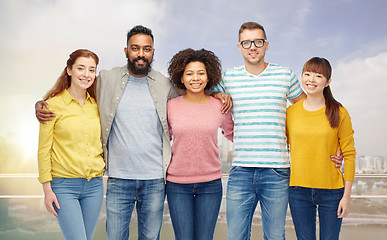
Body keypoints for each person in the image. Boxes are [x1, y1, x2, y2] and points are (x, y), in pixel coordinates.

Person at [35, 25, 231, 240]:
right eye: (135, 48)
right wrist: (43, 102)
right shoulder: (107, 79)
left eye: (147, 49)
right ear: (126, 51)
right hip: (118, 179)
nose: (141, 54)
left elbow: (192, 92)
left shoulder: (165, 85)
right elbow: (79, 86)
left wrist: (216, 94)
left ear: (153, 52)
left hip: (155, 180)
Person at [211, 22, 343, 240]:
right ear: (239, 47)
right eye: (247, 42)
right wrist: (218, 95)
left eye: (258, 41)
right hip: (241, 170)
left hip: (277, 171)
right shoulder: (228, 78)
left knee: (274, 236)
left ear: (266, 45)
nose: (252, 47)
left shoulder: (285, 75)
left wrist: (334, 146)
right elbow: (205, 95)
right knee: (235, 236)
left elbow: (310, 110)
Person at [37, 49, 105, 240]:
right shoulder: (51, 106)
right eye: (81, 68)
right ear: (69, 70)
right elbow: (44, 150)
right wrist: (47, 189)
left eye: (92, 70)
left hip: (95, 186)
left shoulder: (98, 105)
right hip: (64, 187)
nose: (86, 74)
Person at [166, 48, 234, 240]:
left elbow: (234, 134)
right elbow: (163, 139)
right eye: (189, 73)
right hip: (177, 184)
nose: (195, 78)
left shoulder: (220, 106)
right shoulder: (170, 106)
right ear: (181, 77)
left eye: (200, 73)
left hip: (210, 185)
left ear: (208, 76)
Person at [286, 57, 356, 240]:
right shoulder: (290, 113)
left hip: (332, 192)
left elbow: (349, 155)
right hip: (298, 190)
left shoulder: (340, 112)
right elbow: (281, 144)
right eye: (307, 74)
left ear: (328, 82)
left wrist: (347, 197)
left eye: (318, 76)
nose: (311, 80)